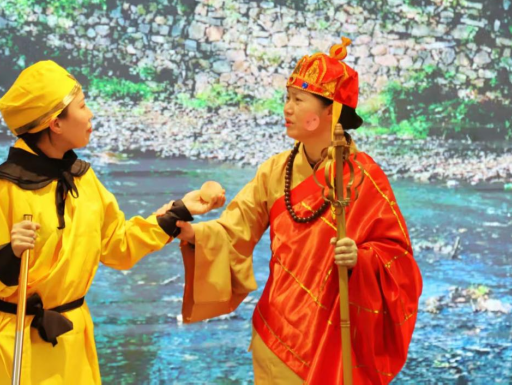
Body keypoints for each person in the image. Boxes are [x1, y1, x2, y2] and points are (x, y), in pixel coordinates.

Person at [0, 60, 225, 384]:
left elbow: (117, 246)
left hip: (72, 343)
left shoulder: (82, 180)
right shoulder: (3, 188)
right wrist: (10, 254)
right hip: (14, 348)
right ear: (56, 123)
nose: (90, 115)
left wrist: (178, 212)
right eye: (82, 106)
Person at [176, 38, 423, 384]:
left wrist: (362, 260)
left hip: (333, 340)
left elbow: (399, 261)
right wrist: (195, 234)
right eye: (287, 98)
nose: (287, 109)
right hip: (274, 331)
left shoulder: (365, 178)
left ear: (331, 111)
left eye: (298, 100)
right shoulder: (275, 170)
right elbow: (235, 228)